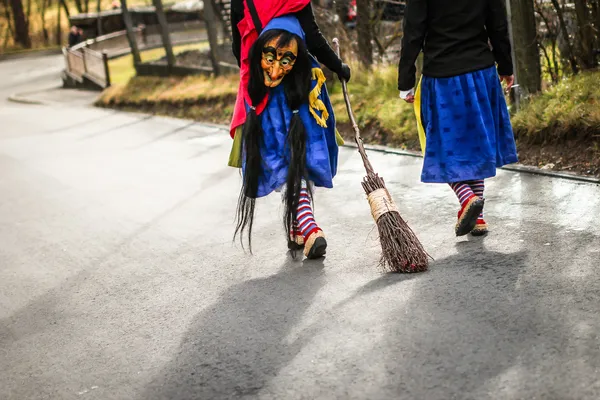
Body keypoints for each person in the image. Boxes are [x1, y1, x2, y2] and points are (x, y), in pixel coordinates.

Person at [228, 9, 343, 259]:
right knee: (297, 160)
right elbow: (312, 35)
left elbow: (238, 43)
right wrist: (338, 66)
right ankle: (308, 227)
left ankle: (300, 227)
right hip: (295, 88)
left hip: (276, 91)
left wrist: (253, 76)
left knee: (288, 160)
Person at [397, 0, 518, 237]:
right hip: (481, 72)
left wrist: (406, 80)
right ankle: (478, 215)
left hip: (443, 77)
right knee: (477, 144)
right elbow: (498, 24)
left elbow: (413, 32)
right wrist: (505, 65)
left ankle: (468, 198)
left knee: (442, 147)